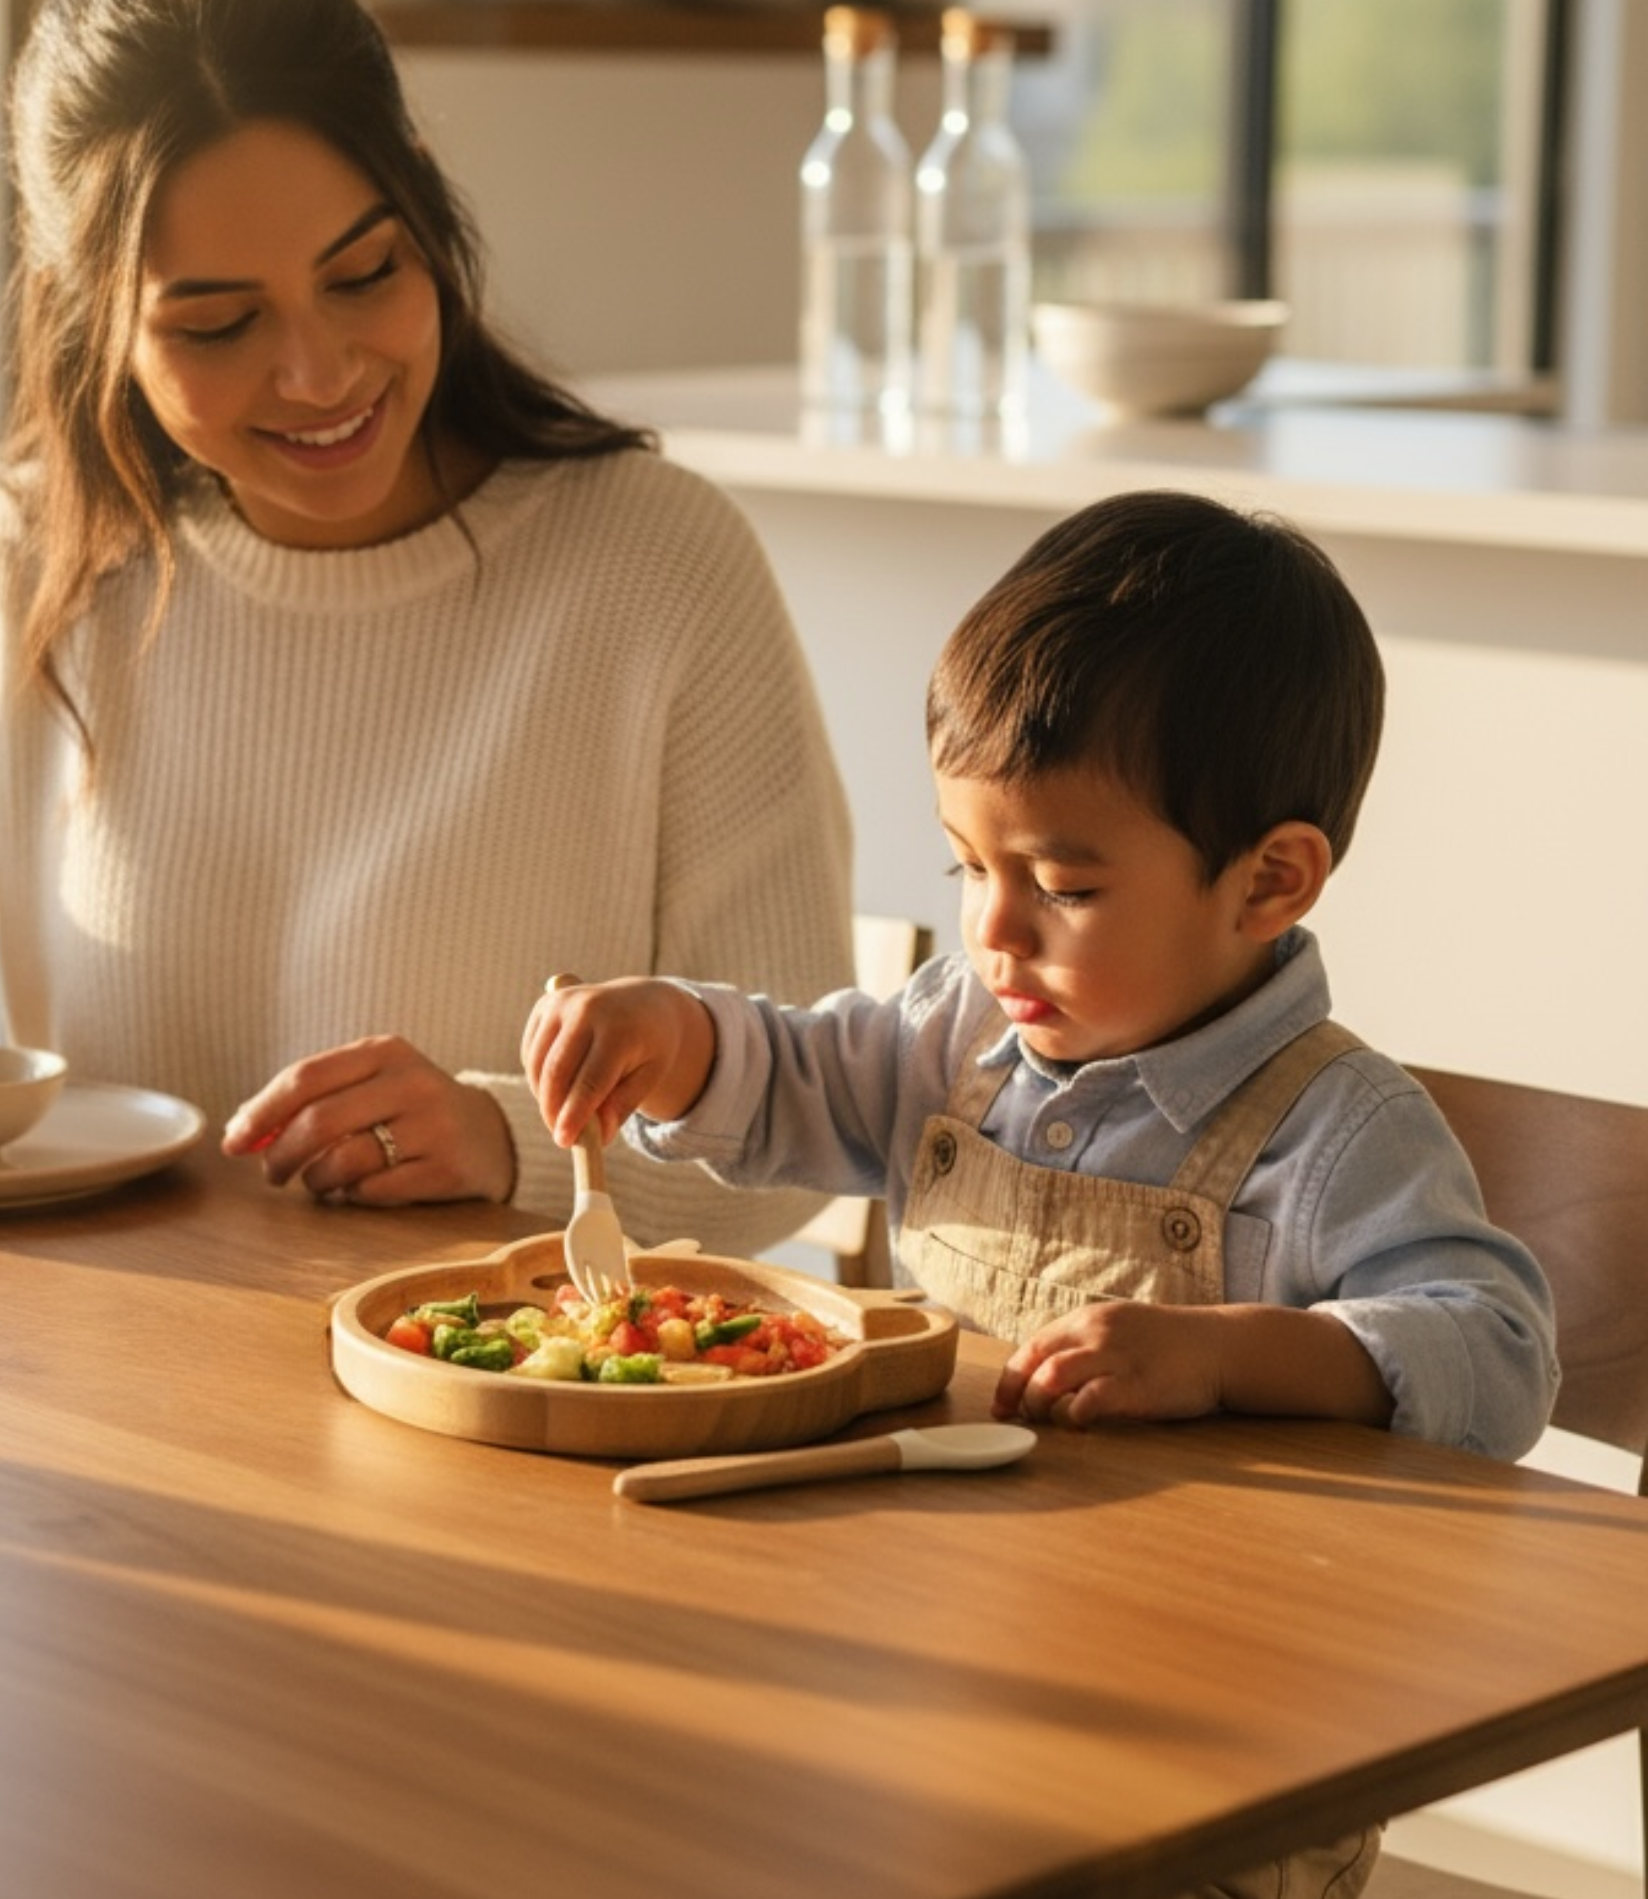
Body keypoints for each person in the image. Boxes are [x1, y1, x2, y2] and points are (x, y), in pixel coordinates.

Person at [0, 0, 852, 1247]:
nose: (318, 374)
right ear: (91, 312)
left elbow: (813, 1120)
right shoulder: (40, 559)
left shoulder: (660, 567)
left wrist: (507, 1141)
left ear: (426, 209)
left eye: (364, 274)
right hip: (110, 1354)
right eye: (217, 324)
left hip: (500, 1365)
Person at [526, 489, 1559, 1893]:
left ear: (1269, 882)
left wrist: (1228, 1354)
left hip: (1212, 1749)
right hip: (933, 1672)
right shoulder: (957, 1036)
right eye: (967, 866)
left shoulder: (1331, 1132)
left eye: (1063, 887)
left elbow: (1497, 1352)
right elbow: (801, 1078)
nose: (994, 930)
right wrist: (677, 1037)